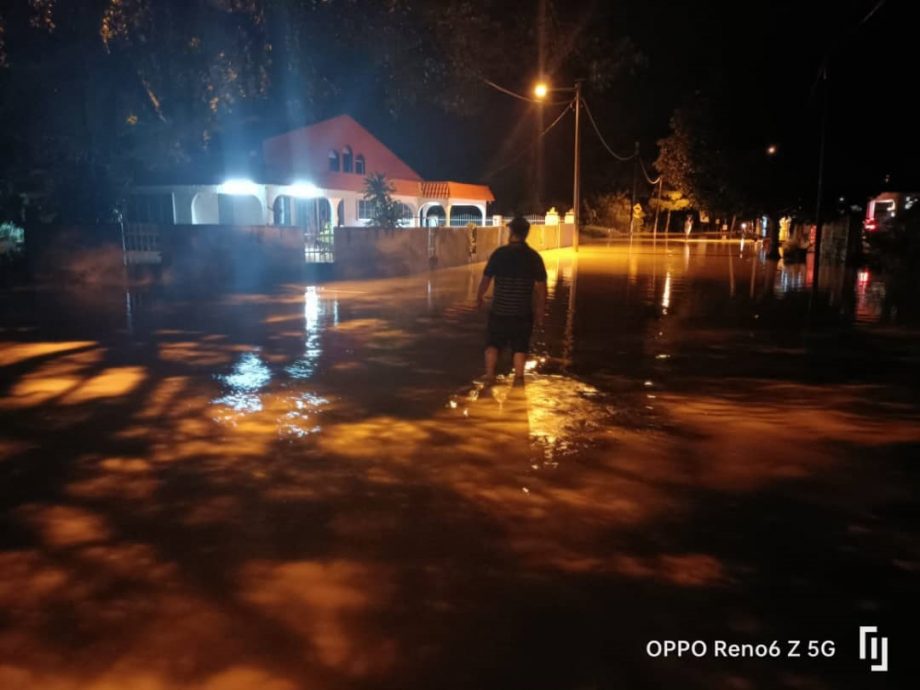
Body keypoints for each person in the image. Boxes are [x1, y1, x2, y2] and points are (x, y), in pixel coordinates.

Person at [475, 216, 547, 386]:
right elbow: (542, 289)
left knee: (493, 344)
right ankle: (519, 380)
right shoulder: (533, 257)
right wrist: (540, 312)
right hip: (522, 313)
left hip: (499, 311)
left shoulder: (499, 254)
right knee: (520, 347)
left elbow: (485, 280)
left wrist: (478, 297)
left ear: (511, 231)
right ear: (526, 233)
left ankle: (489, 378)